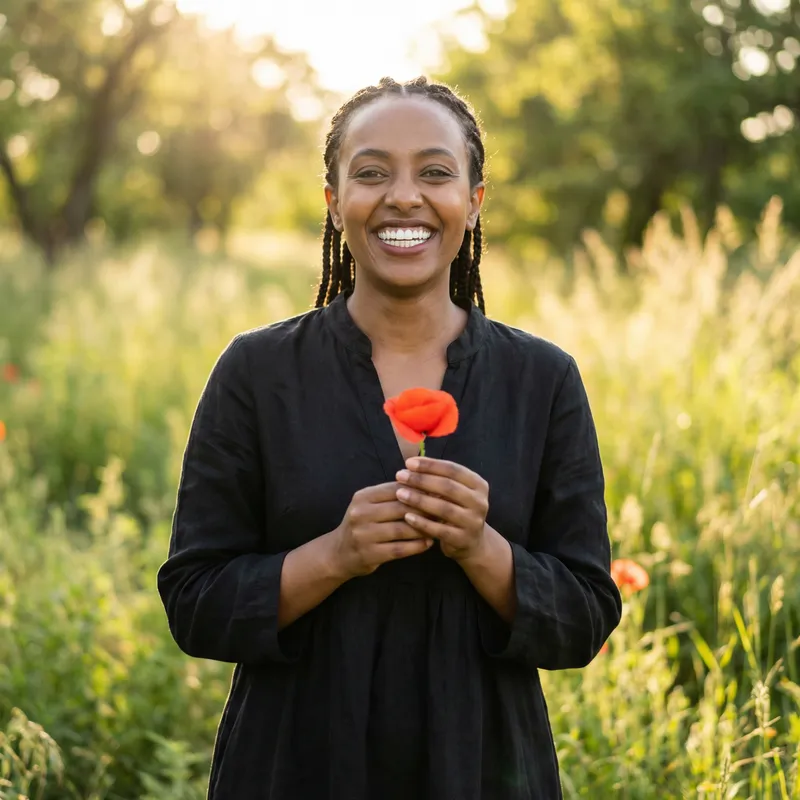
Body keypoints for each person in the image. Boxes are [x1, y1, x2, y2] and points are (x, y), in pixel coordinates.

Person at [157, 76, 622, 800]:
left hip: (482, 768)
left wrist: (483, 548)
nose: (403, 196)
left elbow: (586, 615)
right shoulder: (257, 371)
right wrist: (335, 555)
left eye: (435, 173)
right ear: (335, 202)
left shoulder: (542, 379)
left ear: (472, 201)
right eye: (371, 173)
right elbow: (195, 602)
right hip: (293, 765)